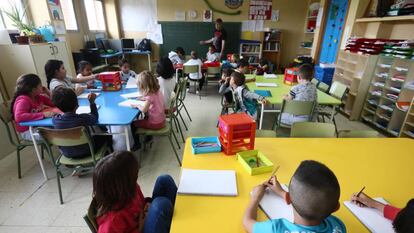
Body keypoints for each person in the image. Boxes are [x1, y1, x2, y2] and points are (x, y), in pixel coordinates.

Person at [243, 160, 346, 233]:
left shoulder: (276, 229)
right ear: (336, 207)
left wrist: (255, 197)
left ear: (288, 199)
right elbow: (314, 204)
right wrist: (282, 193)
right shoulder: (338, 226)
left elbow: (247, 222)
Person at [94, 151, 177, 233]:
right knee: (161, 204)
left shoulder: (132, 189)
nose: (136, 180)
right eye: (134, 178)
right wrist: (140, 229)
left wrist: (146, 205)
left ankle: (176, 224)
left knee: (164, 180)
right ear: (122, 186)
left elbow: (139, 207)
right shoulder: (111, 222)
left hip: (144, 220)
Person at [51, 87, 113, 160]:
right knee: (107, 136)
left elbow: (57, 115)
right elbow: (95, 117)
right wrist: (92, 102)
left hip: (67, 153)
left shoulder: (55, 120)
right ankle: (109, 161)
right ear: (77, 103)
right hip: (87, 150)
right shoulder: (83, 118)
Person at [11, 74, 56, 141]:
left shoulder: (38, 97)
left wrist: (48, 92)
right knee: (55, 132)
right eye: (40, 85)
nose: (42, 86)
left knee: (59, 126)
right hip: (27, 131)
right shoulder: (23, 100)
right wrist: (43, 114)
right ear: (34, 89)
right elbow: (19, 117)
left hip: (38, 126)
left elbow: (55, 104)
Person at [130, 71, 166, 150]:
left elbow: (144, 109)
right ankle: (148, 138)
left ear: (144, 86)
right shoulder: (157, 91)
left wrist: (137, 105)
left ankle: (137, 144)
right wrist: (143, 98)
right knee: (146, 117)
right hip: (163, 120)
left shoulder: (150, 96)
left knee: (132, 124)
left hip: (156, 124)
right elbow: (153, 99)